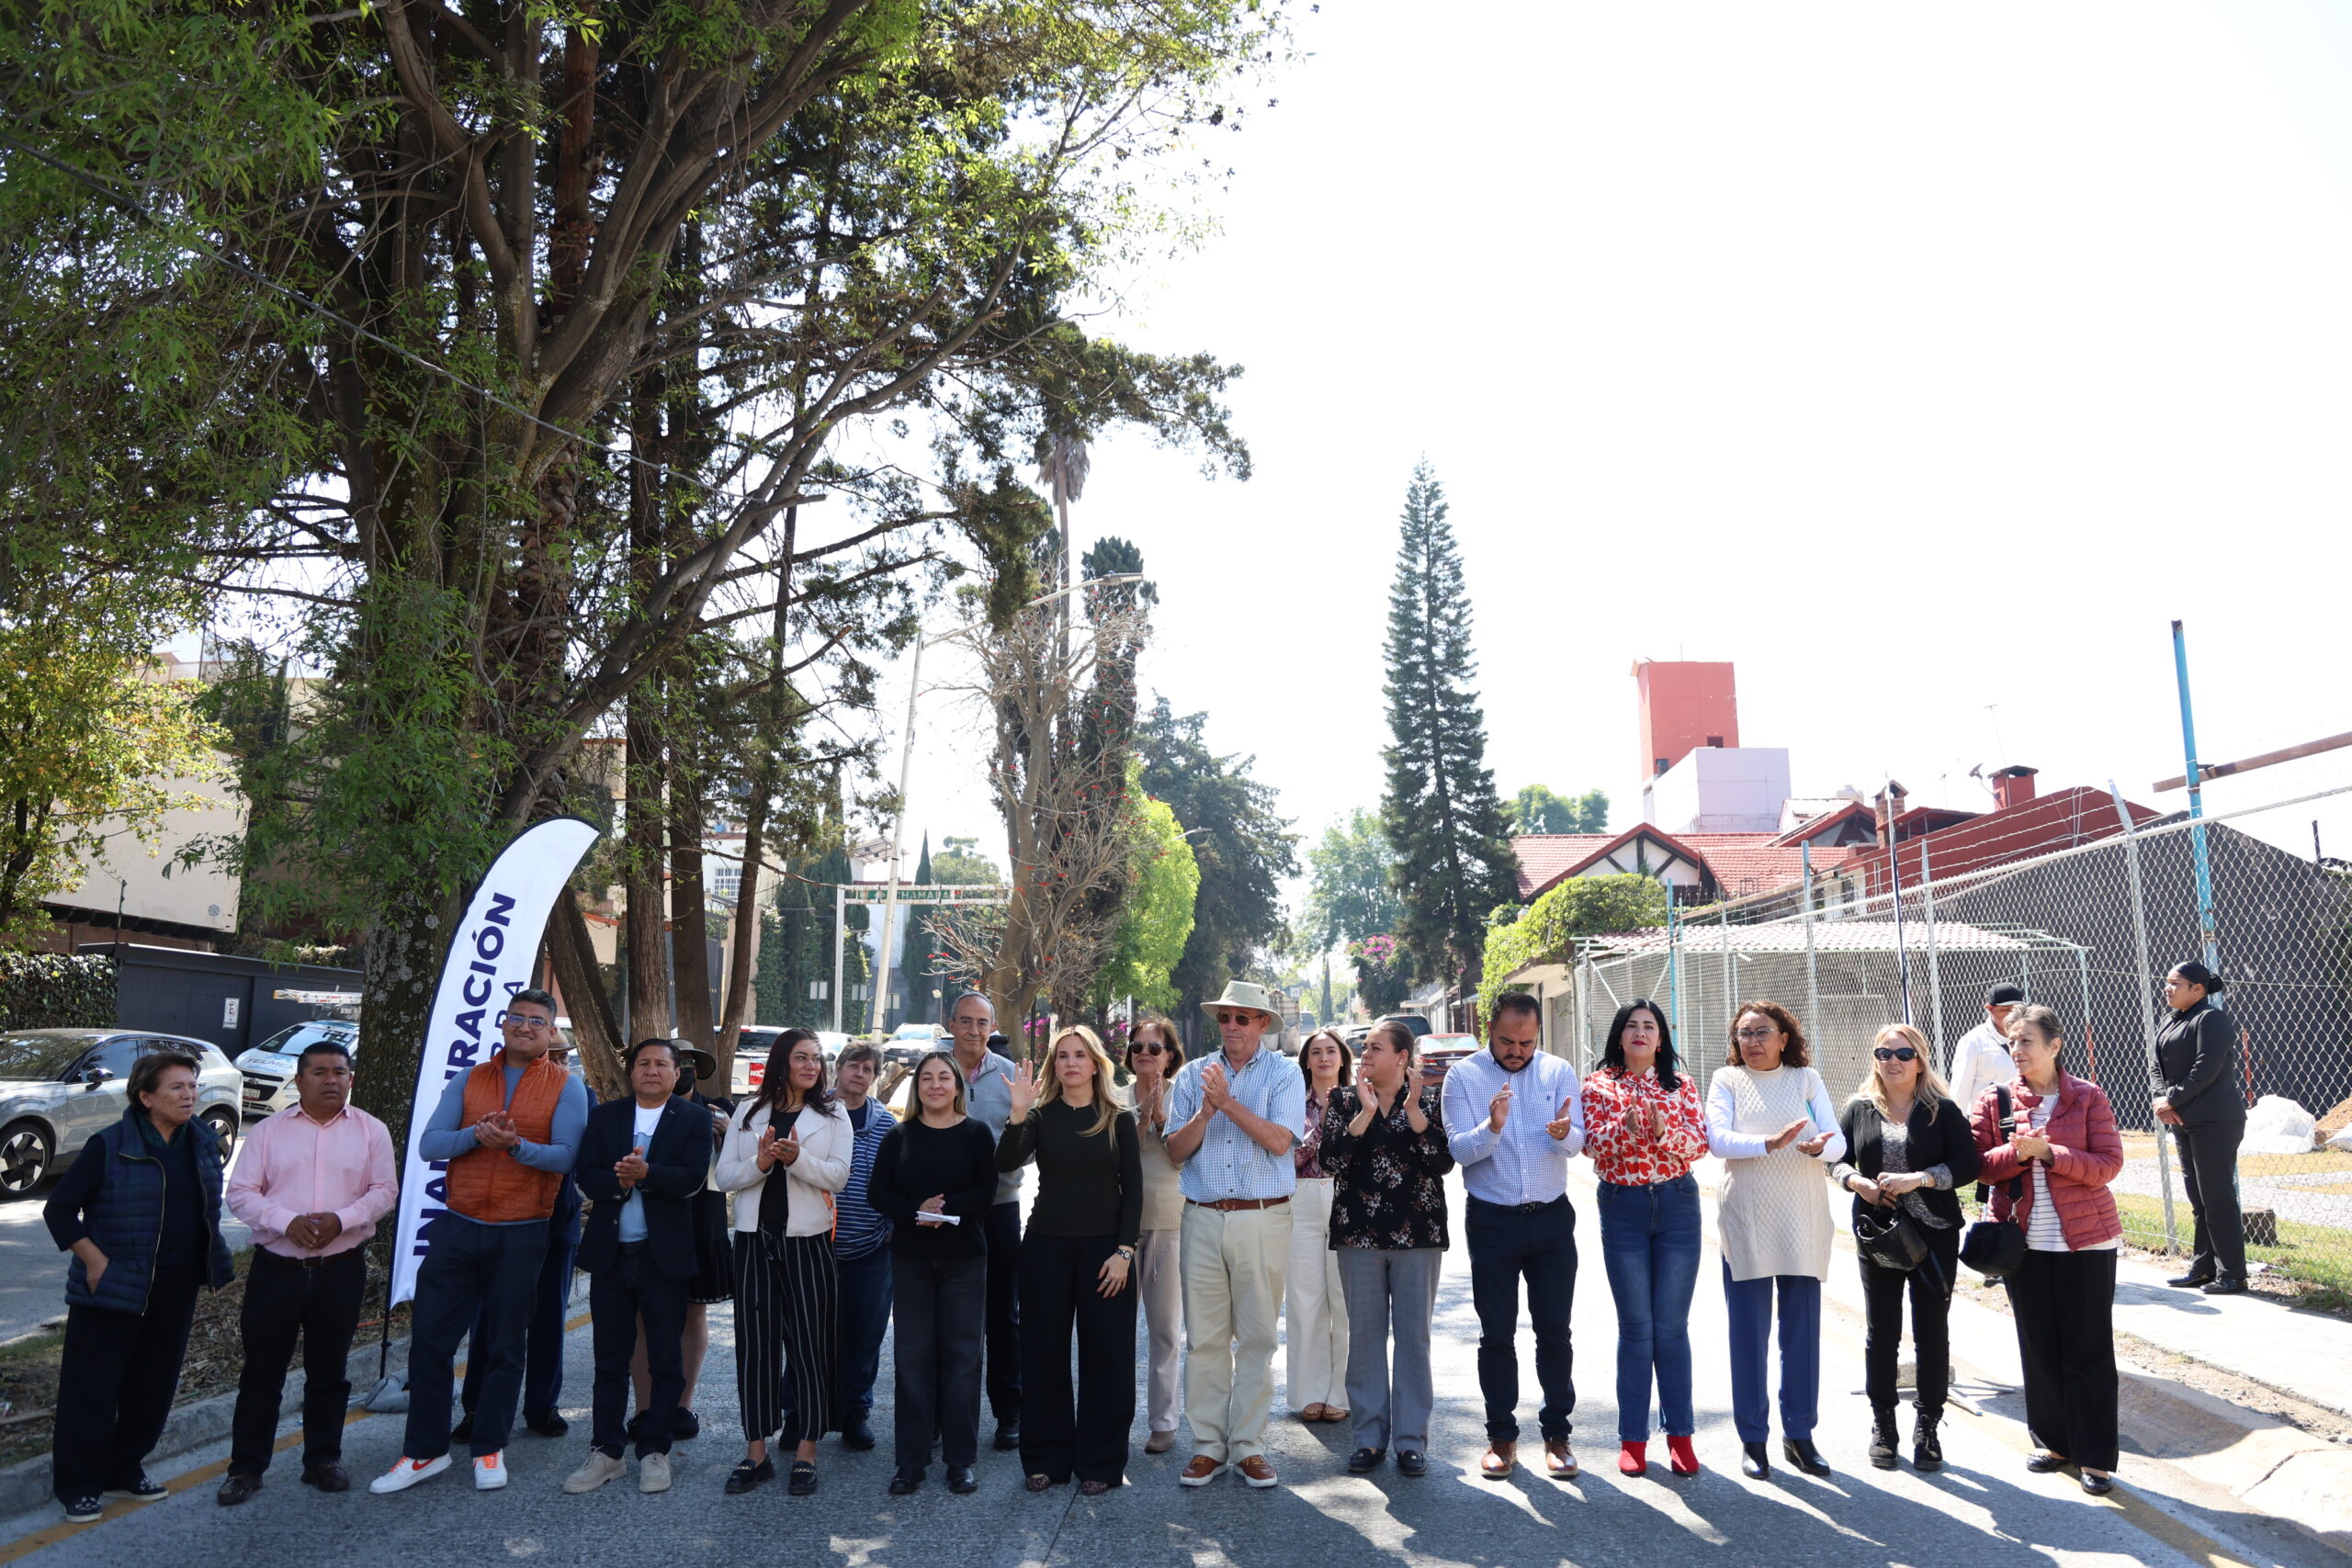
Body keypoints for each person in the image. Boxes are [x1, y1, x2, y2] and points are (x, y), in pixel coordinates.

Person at [374, 988, 588, 1495]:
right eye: (518, 1017)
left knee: (505, 1346)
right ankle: (423, 1451)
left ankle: (489, 1448)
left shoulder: (567, 1086)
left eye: (538, 1021)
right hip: (457, 1227)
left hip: (522, 1232)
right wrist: (476, 1135)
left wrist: (513, 1145)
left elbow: (564, 1157)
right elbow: (430, 1143)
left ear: (550, 1031)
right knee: (430, 1341)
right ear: (503, 1023)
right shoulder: (469, 1078)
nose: (526, 1027)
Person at [44, 1050, 235, 1523]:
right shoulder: (110, 1144)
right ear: (145, 1096)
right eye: (176, 1088)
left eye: (192, 1085)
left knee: (153, 1386)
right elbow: (60, 1210)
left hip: (177, 1284)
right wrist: (95, 1262)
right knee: (92, 1389)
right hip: (113, 1285)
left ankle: (123, 1468)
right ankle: (78, 1484)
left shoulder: (202, 1142)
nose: (189, 1094)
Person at [218, 1035, 398, 1505]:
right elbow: (240, 1193)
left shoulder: (371, 1130)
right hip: (277, 1268)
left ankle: (322, 1458)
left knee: (329, 1370)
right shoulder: (269, 1132)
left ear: (351, 1079)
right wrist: (285, 1222)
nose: (330, 1080)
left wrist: (344, 1219)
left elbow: (384, 1191)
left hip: (340, 1268)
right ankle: (246, 1468)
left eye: (339, 1072)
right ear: (298, 1081)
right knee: (262, 1372)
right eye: (319, 1072)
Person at [1974, 1003, 2126, 1496]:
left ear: (2055, 1046)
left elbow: (2107, 1164)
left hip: (2087, 1242)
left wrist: (2050, 1153)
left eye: (2026, 1042)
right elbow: (1981, 1167)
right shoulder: (1994, 1100)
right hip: (2026, 1246)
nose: (2017, 1051)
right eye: (2011, 1043)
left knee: (2089, 1350)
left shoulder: (2087, 1097)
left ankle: (2097, 1458)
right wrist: (2013, 1154)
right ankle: (2054, 1443)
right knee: (2039, 1347)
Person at [1439, 989, 1586, 1481]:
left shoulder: (1559, 1071)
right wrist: (1492, 1126)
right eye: (1507, 1041)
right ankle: (1501, 1436)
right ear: (1489, 1031)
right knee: (1496, 1334)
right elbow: (1458, 1150)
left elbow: (1578, 1143)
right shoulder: (1463, 1077)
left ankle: (1557, 1435)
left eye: (1526, 1041)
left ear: (1537, 1033)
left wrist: (1566, 1134)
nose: (1517, 1051)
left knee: (1555, 1332)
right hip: (1493, 1220)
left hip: (1550, 1220)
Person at [1164, 980, 1306, 1489]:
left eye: (1242, 1018)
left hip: (1263, 1215)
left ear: (1263, 1024)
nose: (1231, 1027)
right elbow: (1175, 1152)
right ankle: (1207, 1447)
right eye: (1225, 1017)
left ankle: (1248, 1446)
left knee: (1258, 1337)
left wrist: (1227, 1105)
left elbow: (1279, 1142)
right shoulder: (1191, 1076)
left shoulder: (1285, 1074)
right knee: (1203, 1339)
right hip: (1202, 1215)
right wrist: (1205, 1111)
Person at [998, 1025, 1142, 1495]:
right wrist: (1018, 1113)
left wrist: (1125, 1252)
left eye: (1080, 1055)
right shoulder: (1041, 1116)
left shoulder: (1117, 1117)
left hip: (1107, 1254)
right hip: (1045, 1249)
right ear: (1053, 1066)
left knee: (1108, 1358)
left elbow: (1133, 1191)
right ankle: (1045, 1460)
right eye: (1062, 1056)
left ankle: (1101, 1462)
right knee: (1043, 1358)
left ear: (1096, 1063)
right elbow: (1006, 1163)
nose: (1071, 1063)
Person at [1830, 1022, 1980, 1473]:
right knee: (1883, 1332)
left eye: (1902, 1054)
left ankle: (1928, 1425)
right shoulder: (1859, 1108)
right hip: (1879, 1234)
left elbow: (1968, 1165)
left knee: (1932, 1333)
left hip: (1934, 1234)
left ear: (1920, 1061)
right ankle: (1884, 1424)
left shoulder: (1943, 1110)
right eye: (1883, 1053)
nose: (1892, 1061)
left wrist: (1921, 1178)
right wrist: (1857, 1182)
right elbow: (1835, 1159)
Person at [1706, 999, 1844, 1481]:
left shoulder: (1806, 1079)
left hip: (1802, 1218)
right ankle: (1753, 1438)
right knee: (1748, 1336)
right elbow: (1717, 1140)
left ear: (1785, 1037)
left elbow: (1837, 1140)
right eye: (1744, 1034)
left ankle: (1800, 1435)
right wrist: (1769, 1143)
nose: (1753, 1042)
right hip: (1746, 1219)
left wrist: (1818, 1146)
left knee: (1801, 1335)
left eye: (1762, 1032)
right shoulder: (1727, 1081)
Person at [564, 1039, 708, 1495]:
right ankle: (607, 1451)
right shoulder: (606, 1116)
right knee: (609, 1359)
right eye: (643, 1063)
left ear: (675, 1072)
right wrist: (621, 1182)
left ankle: (654, 1451)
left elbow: (693, 1177)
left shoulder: (693, 1118)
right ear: (632, 1072)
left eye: (660, 1064)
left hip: (661, 1258)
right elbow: (585, 1173)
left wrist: (647, 1175)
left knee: (666, 1359)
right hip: (610, 1257)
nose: (651, 1070)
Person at [715, 1028, 850, 1495]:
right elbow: (725, 1177)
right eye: (801, 1057)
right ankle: (756, 1453)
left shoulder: (832, 1116)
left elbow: (839, 1176)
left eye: (816, 1058)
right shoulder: (750, 1112)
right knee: (755, 1347)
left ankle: (807, 1452)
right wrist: (762, 1163)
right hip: (753, 1243)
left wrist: (797, 1158)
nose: (811, 1066)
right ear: (781, 1061)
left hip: (807, 1244)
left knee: (811, 1347)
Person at [1579, 999, 1708, 1479]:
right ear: (1619, 1034)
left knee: (1671, 1328)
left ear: (1661, 1037)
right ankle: (1633, 1438)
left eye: (1649, 1026)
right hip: (1623, 1207)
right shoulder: (1598, 1084)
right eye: (1631, 1025)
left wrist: (1661, 1128)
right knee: (1636, 1328)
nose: (1639, 1032)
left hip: (1677, 1204)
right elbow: (1590, 1143)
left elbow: (1699, 1142)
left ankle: (1681, 1437)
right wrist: (1623, 1127)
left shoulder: (1681, 1084)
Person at [1318, 1021, 1452, 1478]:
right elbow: (1329, 1161)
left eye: (1375, 1047)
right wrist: (1363, 1115)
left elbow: (1442, 1163)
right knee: (1366, 1339)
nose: (1365, 1054)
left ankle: (1411, 1441)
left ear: (1401, 1057)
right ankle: (1369, 1439)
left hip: (1418, 1236)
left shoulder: (1432, 1100)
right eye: (1364, 1047)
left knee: (1414, 1339)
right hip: (1358, 1235)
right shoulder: (1342, 1100)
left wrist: (1414, 1111)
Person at [869, 1051, 1001, 1495]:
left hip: (964, 1260)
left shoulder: (977, 1134)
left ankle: (960, 1460)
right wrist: (914, 1212)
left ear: (958, 1086)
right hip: (910, 1261)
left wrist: (941, 1210)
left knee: (963, 1360)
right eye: (927, 1078)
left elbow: (986, 1192)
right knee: (912, 1359)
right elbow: (877, 1193)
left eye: (945, 1077)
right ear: (917, 1086)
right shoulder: (899, 1135)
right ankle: (910, 1460)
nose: (936, 1085)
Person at [456, 1034, 590, 1446]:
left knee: (549, 1318)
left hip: (554, 1223)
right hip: (497, 1223)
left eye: (563, 1055)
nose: (557, 1060)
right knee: (490, 1319)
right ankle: (476, 1408)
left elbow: (579, 1155)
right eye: (553, 1053)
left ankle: (541, 1406)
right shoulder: (492, 1089)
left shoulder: (580, 1093)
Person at [627, 1042, 730, 1442]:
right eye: (677, 1061)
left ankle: (683, 1405)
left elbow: (742, 1168)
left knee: (693, 1313)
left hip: (702, 1219)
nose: (682, 1069)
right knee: (642, 1319)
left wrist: (726, 1134)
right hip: (651, 1218)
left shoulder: (721, 1108)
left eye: (689, 1062)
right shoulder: (639, 1110)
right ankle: (644, 1409)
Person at [945, 990, 1024, 1450]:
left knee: (1002, 1314)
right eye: (966, 1021)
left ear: (992, 1029)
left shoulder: (1010, 1076)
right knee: (951, 1317)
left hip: (999, 1208)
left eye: (983, 1023)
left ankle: (1009, 1411)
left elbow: (1025, 1144)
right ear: (951, 1023)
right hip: (947, 1211)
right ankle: (946, 1413)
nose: (974, 1030)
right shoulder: (933, 1072)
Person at [2153, 962, 2246, 1295]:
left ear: (2198, 989)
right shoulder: (2170, 1020)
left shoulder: (2211, 1019)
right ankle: (2204, 1266)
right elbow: (2156, 1066)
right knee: (2198, 1198)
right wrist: (2160, 1099)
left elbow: (2207, 1066)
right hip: (2184, 1120)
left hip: (2216, 1120)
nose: (2167, 988)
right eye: (2167, 982)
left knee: (2216, 1196)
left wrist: (2172, 1100)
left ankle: (2233, 1273)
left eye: (2175, 983)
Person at [1124, 1015, 1187, 1455]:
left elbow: (1189, 1159)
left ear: (1169, 1056)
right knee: (1114, 1332)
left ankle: (1164, 1422)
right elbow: (1110, 1155)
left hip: (1168, 1222)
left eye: (1154, 1047)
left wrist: (1163, 1120)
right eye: (1138, 1046)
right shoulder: (1112, 1096)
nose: (1144, 1053)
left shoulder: (1185, 1095)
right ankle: (1112, 1420)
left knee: (1165, 1331)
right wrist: (1141, 1119)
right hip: (1118, 1226)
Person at [831, 1042, 898, 1450]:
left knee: (864, 1334)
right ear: (838, 1069)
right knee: (807, 1333)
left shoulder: (887, 1124)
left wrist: (891, 1226)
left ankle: (855, 1412)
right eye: (853, 1066)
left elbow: (899, 1180)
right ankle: (798, 1411)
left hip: (872, 1247)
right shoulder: (811, 1112)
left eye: (869, 1069)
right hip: (814, 1245)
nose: (860, 1074)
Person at [1286, 1028, 1352, 1427]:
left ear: (1342, 1058)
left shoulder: (1360, 1099)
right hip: (1303, 1196)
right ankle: (1309, 1392)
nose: (1324, 1057)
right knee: (1304, 1298)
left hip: (1347, 1198)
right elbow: (1287, 1156)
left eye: (1331, 1051)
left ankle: (1342, 1392)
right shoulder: (1293, 1102)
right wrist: (1319, 1130)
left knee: (1344, 1301)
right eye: (1316, 1052)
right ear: (1307, 1060)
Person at [1947, 984, 2024, 1130]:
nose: (2012, 1016)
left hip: (2024, 1121)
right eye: (2005, 1010)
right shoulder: (1973, 1041)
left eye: (2016, 1010)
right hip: (1986, 1125)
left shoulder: (2030, 1038)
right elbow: (1959, 1093)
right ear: (1989, 1009)